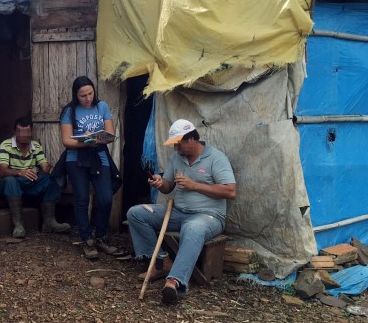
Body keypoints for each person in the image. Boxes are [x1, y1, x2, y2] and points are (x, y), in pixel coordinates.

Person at [126, 119, 237, 304]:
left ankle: (174, 282)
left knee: (193, 228)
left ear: (192, 139)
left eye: (179, 144)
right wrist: (160, 183)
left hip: (208, 215)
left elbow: (230, 191)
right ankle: (162, 262)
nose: (176, 149)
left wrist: (195, 185)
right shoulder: (177, 158)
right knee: (136, 213)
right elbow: (168, 186)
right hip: (177, 211)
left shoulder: (216, 158)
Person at [60, 76, 127, 260]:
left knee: (105, 197)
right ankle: (86, 240)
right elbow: (67, 141)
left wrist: (94, 139)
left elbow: (110, 135)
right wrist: (88, 141)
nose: (87, 98)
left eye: (90, 93)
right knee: (81, 197)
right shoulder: (69, 111)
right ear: (76, 95)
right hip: (76, 158)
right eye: (83, 95)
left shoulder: (102, 106)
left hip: (99, 156)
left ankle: (100, 237)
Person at [0, 117, 71, 238]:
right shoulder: (6, 145)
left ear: (31, 132)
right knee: (10, 180)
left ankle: (49, 222)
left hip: (29, 184)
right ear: (15, 132)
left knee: (54, 178)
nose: (24, 135)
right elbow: (2, 171)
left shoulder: (35, 146)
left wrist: (52, 170)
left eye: (27, 132)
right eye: (20, 132)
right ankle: (19, 225)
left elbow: (44, 166)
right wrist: (20, 172)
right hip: (9, 185)